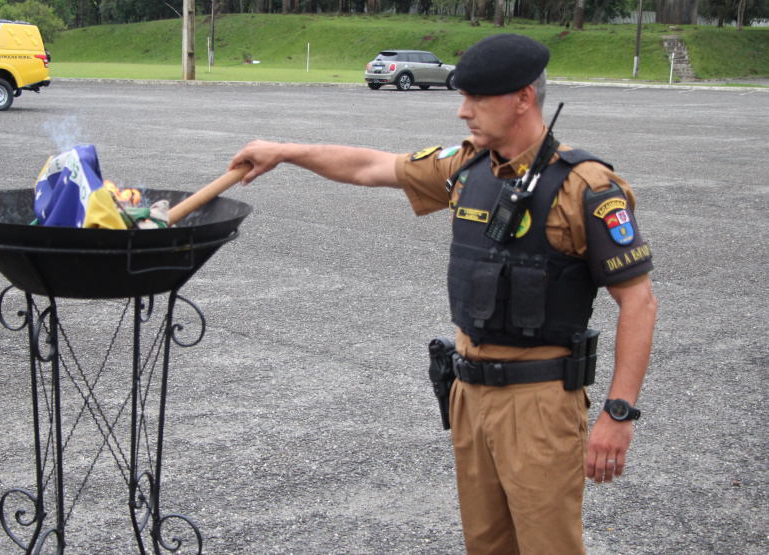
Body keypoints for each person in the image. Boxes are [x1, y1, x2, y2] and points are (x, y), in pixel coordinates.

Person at [229, 33, 657, 555]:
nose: (462, 112)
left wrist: (618, 413)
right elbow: (370, 167)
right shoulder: (467, 167)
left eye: (477, 98)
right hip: (469, 395)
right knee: (486, 545)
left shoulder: (585, 188)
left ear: (523, 97)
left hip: (539, 403)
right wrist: (284, 152)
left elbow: (638, 301)